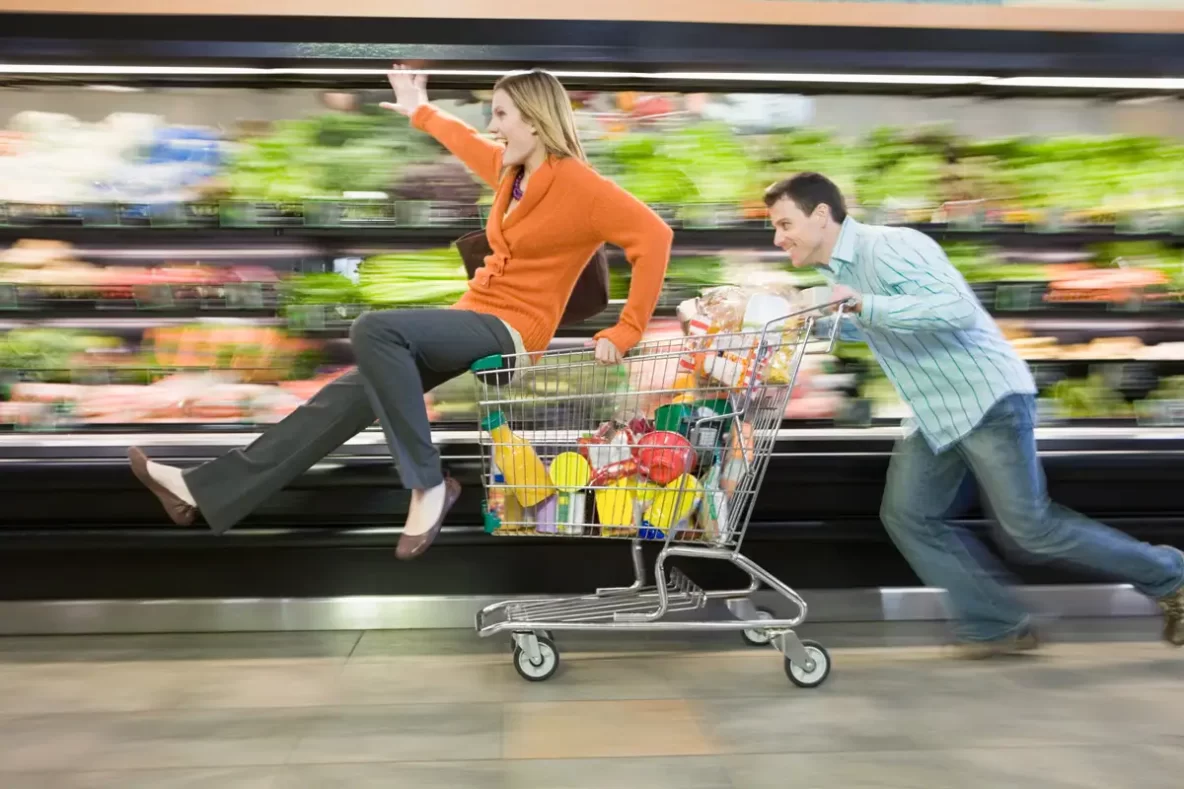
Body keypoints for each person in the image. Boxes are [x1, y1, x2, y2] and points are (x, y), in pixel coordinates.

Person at [129, 65, 673, 561]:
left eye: (502, 113)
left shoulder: (580, 183)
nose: (493, 123)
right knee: (341, 398)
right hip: (475, 314)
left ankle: (429, 483)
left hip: (513, 330)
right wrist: (420, 108)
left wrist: (627, 330)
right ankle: (202, 491)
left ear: (534, 120)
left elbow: (655, 235)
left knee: (376, 328)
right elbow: (465, 143)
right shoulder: (513, 175)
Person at [764, 172, 1184, 656]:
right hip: (938, 415)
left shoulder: (891, 246)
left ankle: (1170, 576)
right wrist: (812, 320)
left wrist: (861, 302)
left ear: (820, 215)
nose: (778, 238)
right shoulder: (839, 272)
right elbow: (885, 325)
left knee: (1031, 530)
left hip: (986, 400)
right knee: (910, 516)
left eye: (784, 223)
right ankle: (996, 624)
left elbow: (957, 309)